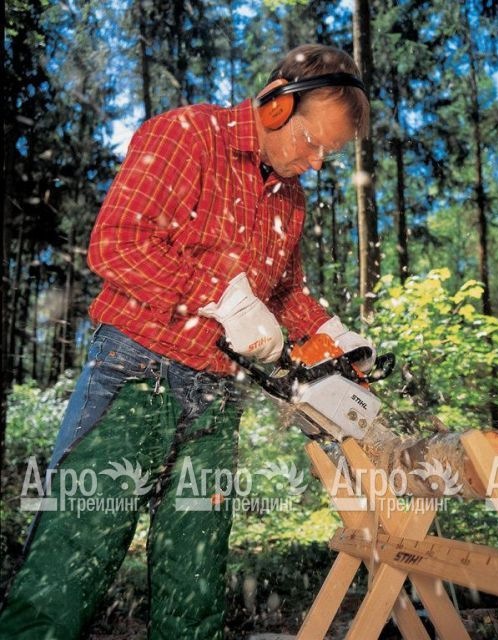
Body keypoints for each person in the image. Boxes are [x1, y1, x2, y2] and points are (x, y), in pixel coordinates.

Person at [0, 44, 375, 639]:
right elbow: (117, 243)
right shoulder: (188, 135)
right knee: (71, 560)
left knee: (194, 583)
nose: (316, 162)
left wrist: (329, 334)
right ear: (276, 105)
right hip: (134, 375)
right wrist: (221, 296)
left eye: (329, 152)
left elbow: (281, 293)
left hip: (217, 396)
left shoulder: (290, 196)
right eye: (311, 141)